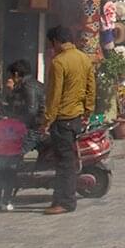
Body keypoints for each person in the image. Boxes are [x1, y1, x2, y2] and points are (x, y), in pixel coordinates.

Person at [41, 25, 95, 215]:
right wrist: (88, 110)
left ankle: (65, 202)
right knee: (67, 161)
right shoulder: (84, 58)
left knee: (64, 163)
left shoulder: (59, 62)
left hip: (62, 119)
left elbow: (54, 96)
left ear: (56, 41)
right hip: (76, 118)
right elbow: (91, 88)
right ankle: (61, 199)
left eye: (51, 44)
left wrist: (47, 120)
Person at [0, 111, 26, 211]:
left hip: (0, 155)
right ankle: (6, 202)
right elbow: (24, 137)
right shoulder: (20, 125)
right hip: (13, 155)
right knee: (10, 179)